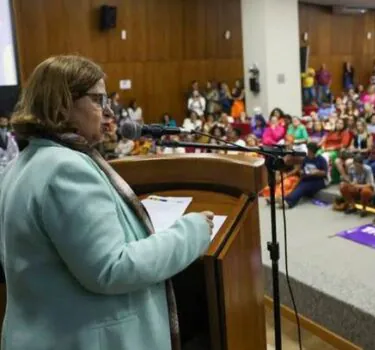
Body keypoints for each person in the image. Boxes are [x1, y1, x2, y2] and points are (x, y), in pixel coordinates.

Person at [0, 55, 214, 350]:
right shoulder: (65, 168)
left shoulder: (22, 164)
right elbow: (112, 268)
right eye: (98, 100)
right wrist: (192, 231)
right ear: (62, 102)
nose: (109, 111)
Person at [280, 142, 328, 209]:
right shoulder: (306, 159)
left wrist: (316, 172)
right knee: (298, 184)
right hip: (307, 178)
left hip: (319, 180)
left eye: (308, 150)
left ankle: (289, 203)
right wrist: (301, 172)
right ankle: (284, 199)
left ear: (312, 151)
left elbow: (324, 173)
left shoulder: (321, 159)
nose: (307, 152)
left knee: (303, 187)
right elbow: (301, 169)